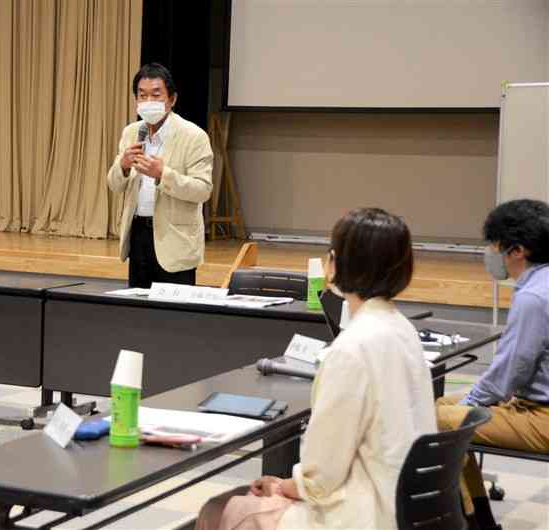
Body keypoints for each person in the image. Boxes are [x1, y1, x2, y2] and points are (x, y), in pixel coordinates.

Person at [196, 208, 437, 530]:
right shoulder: (403, 329)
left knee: (219, 508)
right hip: (405, 504)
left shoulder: (352, 348)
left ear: (335, 262)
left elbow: (321, 477)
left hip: (360, 514)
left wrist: (282, 486)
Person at [436, 199, 549, 530]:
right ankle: (480, 519)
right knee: (445, 404)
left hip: (542, 416)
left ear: (517, 251)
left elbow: (509, 374)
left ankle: (473, 523)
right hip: (534, 401)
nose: (491, 253)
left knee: (436, 417)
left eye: (495, 245)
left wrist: (472, 404)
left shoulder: (533, 297)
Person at [107, 63, 213, 288]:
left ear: (172, 99)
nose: (148, 102)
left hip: (175, 240)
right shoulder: (132, 132)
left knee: (173, 318)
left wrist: (162, 175)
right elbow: (114, 185)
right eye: (142, 96)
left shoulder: (193, 136)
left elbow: (202, 190)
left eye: (156, 95)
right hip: (138, 235)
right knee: (138, 313)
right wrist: (123, 166)